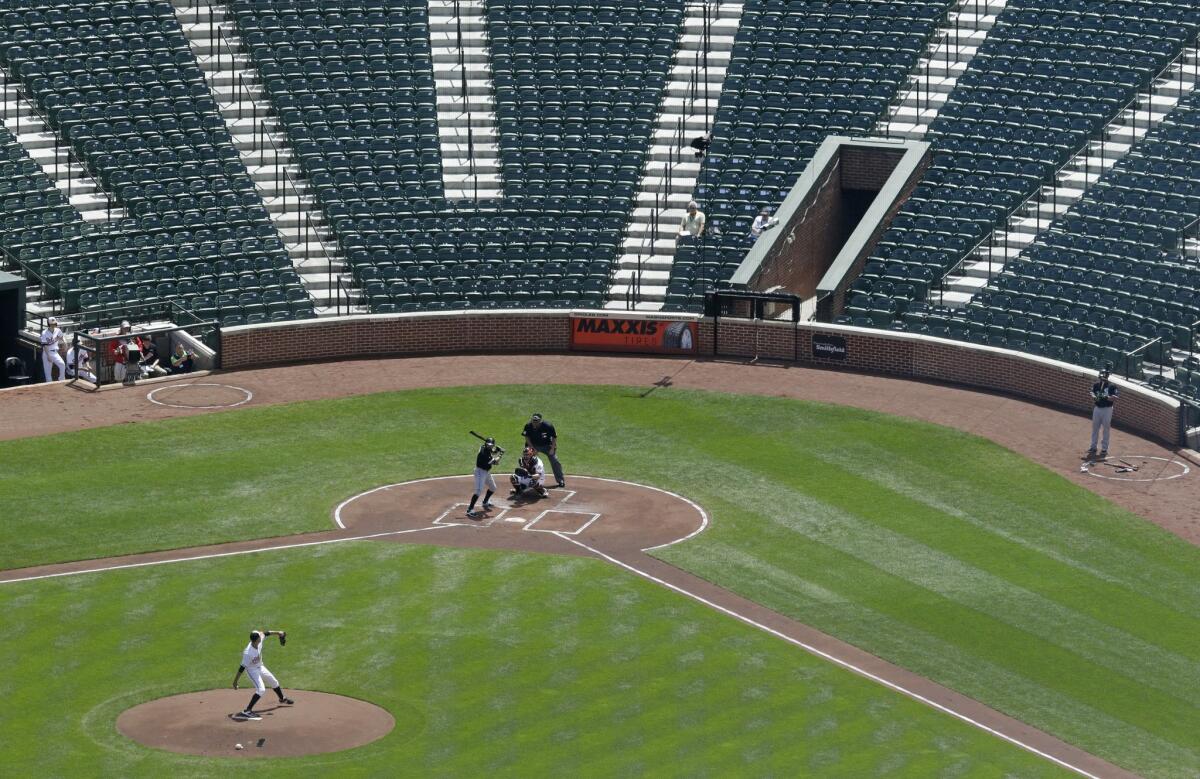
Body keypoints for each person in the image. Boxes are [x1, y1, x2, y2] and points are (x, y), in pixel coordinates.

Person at [232, 628, 293, 720]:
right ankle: (247, 711)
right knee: (261, 689)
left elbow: (266, 633)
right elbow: (242, 668)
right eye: (259, 638)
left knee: (274, 681)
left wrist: (278, 633)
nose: (261, 637)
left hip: (260, 666)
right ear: (256, 640)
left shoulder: (259, 638)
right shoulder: (248, 653)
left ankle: (282, 699)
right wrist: (235, 682)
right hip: (252, 670)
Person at [523, 413, 564, 488]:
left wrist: (552, 449)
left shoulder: (548, 426)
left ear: (540, 421)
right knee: (526, 460)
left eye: (536, 421)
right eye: (533, 421)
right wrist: (532, 448)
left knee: (555, 461)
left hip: (547, 446)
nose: (534, 422)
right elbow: (527, 437)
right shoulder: (528, 426)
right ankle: (526, 480)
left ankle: (560, 480)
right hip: (533, 445)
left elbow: (554, 437)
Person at [1087, 365, 1118, 459]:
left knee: (1106, 429)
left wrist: (1105, 397)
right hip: (1097, 408)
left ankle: (1104, 449)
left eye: (1103, 374)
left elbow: (1115, 398)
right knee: (1095, 428)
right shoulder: (1096, 385)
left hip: (1107, 409)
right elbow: (1092, 392)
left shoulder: (1112, 386)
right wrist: (1095, 396)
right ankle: (1093, 447)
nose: (1101, 376)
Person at [466, 437, 502, 518]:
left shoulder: (484, 447)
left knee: (493, 488)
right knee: (478, 491)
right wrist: (501, 453)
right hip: (480, 472)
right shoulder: (483, 453)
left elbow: (491, 451)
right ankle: (470, 509)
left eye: (490, 445)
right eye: (488, 445)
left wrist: (496, 450)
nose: (489, 446)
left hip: (486, 472)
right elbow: (495, 462)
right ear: (486, 444)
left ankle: (485, 502)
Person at [39, 317, 65, 382]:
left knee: (62, 364)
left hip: (55, 352)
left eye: (55, 323)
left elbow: (62, 337)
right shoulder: (44, 333)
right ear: (49, 324)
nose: (54, 325)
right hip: (47, 353)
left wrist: (65, 343)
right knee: (48, 374)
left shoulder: (58, 330)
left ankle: (61, 380)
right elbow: (44, 345)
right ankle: (49, 388)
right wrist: (48, 356)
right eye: (52, 324)